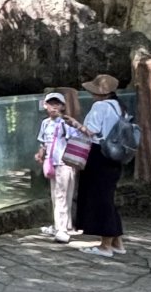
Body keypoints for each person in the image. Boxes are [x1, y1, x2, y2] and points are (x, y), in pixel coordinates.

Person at [75, 74, 126, 256]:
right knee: (108, 198)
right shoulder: (119, 106)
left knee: (100, 199)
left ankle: (105, 245)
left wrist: (74, 123)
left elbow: (91, 131)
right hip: (115, 155)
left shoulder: (100, 106)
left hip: (99, 154)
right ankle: (117, 242)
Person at [35, 93, 77, 242]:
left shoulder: (66, 123)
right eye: (50, 103)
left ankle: (62, 230)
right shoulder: (45, 123)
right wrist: (41, 153)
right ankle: (61, 225)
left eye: (57, 103)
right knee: (56, 196)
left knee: (62, 197)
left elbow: (75, 140)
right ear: (45, 105)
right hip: (51, 163)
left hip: (64, 163)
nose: (53, 107)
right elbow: (44, 142)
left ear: (63, 106)